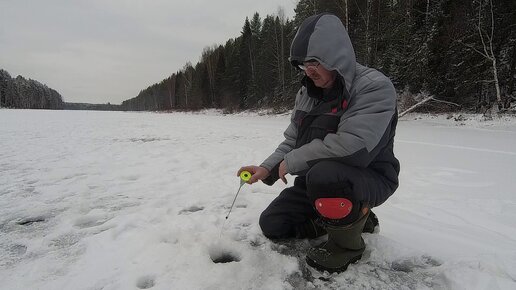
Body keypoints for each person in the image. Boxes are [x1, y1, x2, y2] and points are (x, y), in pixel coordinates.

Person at [238, 13, 400, 273]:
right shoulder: (307, 93)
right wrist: (266, 169)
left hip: (368, 177)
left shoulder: (373, 87)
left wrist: (292, 162)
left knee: (326, 175)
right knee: (273, 224)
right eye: (303, 64)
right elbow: (293, 140)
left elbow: (353, 146)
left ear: (336, 57)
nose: (309, 70)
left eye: (314, 62)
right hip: (316, 181)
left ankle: (349, 242)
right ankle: (335, 218)